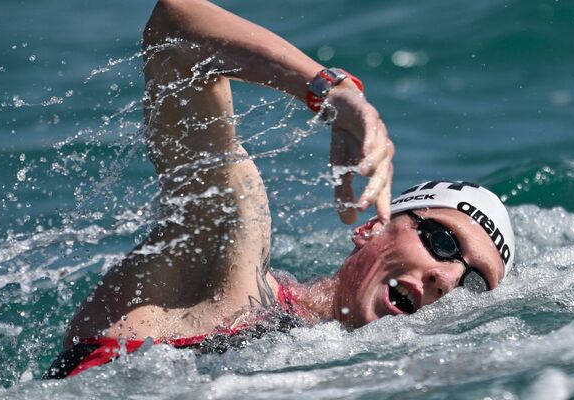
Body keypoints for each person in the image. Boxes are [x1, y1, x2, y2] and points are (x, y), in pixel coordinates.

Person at [43, 0, 515, 379]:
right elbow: (174, 30)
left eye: (474, 282)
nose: (448, 279)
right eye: (442, 241)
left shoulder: (361, 369)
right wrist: (333, 93)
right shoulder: (232, 280)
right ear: (371, 227)